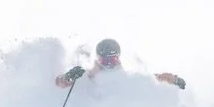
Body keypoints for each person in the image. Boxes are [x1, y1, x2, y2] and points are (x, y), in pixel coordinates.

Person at [54, 38, 185, 90]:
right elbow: (59, 83)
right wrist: (68, 76)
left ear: (118, 58)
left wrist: (173, 79)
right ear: (99, 59)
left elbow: (151, 79)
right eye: (105, 61)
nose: (109, 64)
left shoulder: (126, 78)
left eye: (113, 60)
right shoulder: (87, 77)